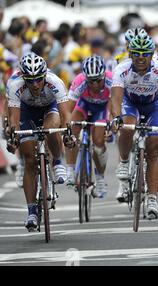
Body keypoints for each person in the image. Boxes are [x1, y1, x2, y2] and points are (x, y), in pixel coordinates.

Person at [5, 53, 75, 231]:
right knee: (29, 160)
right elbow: (13, 118)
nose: (35, 85)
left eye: (38, 80)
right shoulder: (15, 85)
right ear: (23, 78)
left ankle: (58, 161)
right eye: (30, 80)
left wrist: (68, 134)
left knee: (51, 126)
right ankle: (31, 212)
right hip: (26, 111)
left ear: (44, 75)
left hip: (49, 108)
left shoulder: (55, 82)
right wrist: (13, 136)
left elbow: (66, 115)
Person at [111, 30, 158, 219]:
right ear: (130, 53)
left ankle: (152, 197)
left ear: (151, 54)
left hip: (153, 106)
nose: (140, 58)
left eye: (145, 54)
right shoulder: (122, 69)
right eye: (136, 53)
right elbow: (116, 97)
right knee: (127, 126)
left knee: (153, 150)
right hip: (131, 104)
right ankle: (123, 161)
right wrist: (116, 117)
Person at [65, 55, 112, 198]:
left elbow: (115, 105)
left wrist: (110, 125)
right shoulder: (79, 81)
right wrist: (66, 127)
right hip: (83, 106)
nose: (95, 85)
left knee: (98, 142)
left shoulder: (111, 80)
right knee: (71, 131)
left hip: (102, 109)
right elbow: (67, 109)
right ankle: (71, 171)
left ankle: (100, 178)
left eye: (98, 80)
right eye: (90, 82)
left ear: (104, 75)